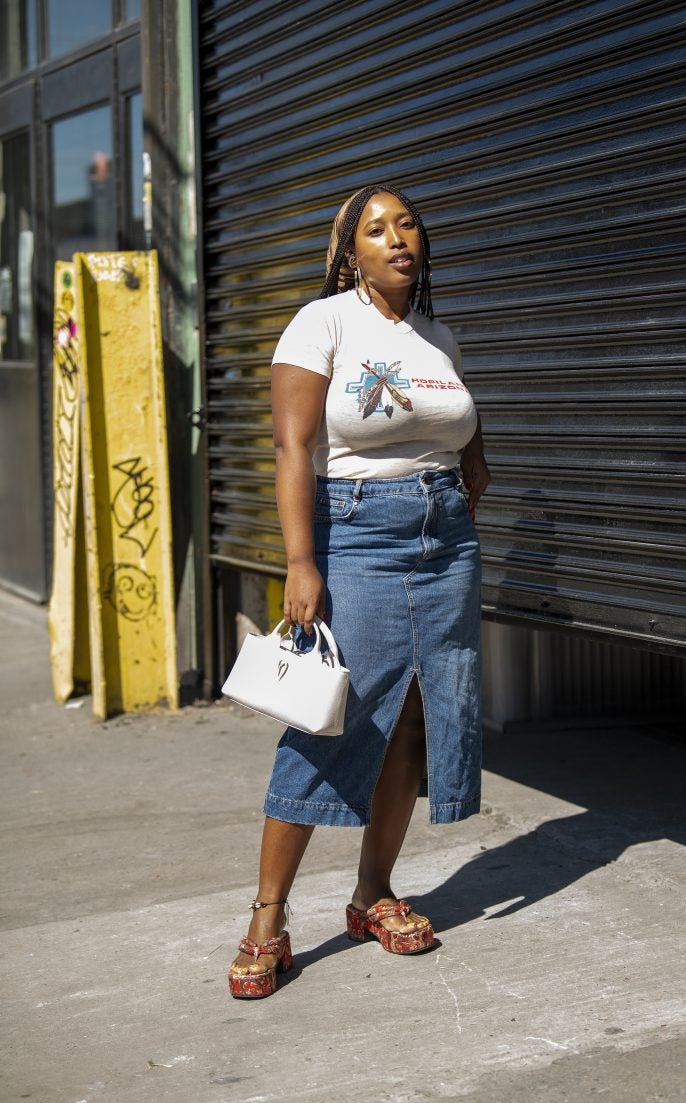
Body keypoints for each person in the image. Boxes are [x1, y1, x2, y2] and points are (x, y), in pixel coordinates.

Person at [228, 183, 491, 999]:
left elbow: (467, 443)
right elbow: (291, 446)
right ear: (350, 254)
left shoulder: (439, 335)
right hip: (357, 533)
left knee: (417, 710)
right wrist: (301, 560)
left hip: (444, 537)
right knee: (332, 719)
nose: (397, 239)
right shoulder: (323, 321)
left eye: (407, 223)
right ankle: (267, 919)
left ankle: (372, 893)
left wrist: (460, 490)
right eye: (376, 230)